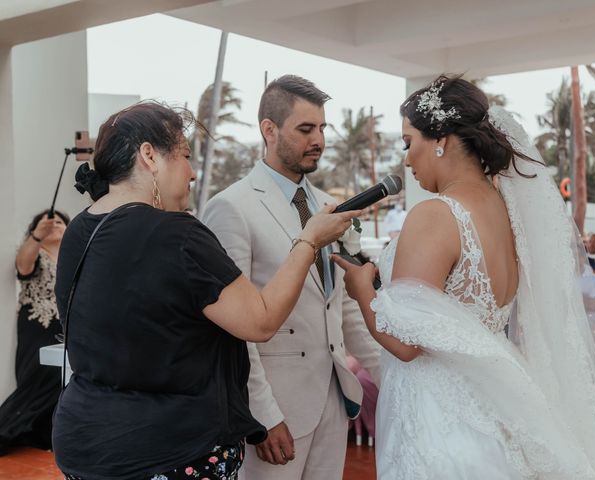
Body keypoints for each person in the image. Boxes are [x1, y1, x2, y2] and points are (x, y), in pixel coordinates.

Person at [333, 75, 595, 479]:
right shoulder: (508, 214)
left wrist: (362, 292)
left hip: (440, 413)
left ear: (440, 137)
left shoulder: (434, 215)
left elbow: (408, 345)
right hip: (496, 404)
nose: (407, 160)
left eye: (409, 143)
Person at [52, 101, 359, 480]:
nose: (193, 172)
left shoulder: (79, 230)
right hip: (168, 448)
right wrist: (309, 240)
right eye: (183, 156)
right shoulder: (177, 234)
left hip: (87, 440)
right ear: (149, 156)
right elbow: (260, 321)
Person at [202, 75, 380, 480]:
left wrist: (394, 381)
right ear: (269, 129)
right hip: (276, 410)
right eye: (305, 129)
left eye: (322, 128)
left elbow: (342, 308)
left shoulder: (326, 207)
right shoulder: (231, 207)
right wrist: (261, 415)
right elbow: (233, 329)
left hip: (334, 401)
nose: (318, 139)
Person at [0, 209, 69, 455]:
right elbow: (23, 266)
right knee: (36, 380)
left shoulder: (74, 258)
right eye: (49, 222)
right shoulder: (36, 253)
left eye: (60, 222)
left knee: (61, 383)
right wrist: (37, 237)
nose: (55, 225)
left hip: (67, 329)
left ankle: (43, 435)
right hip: (37, 326)